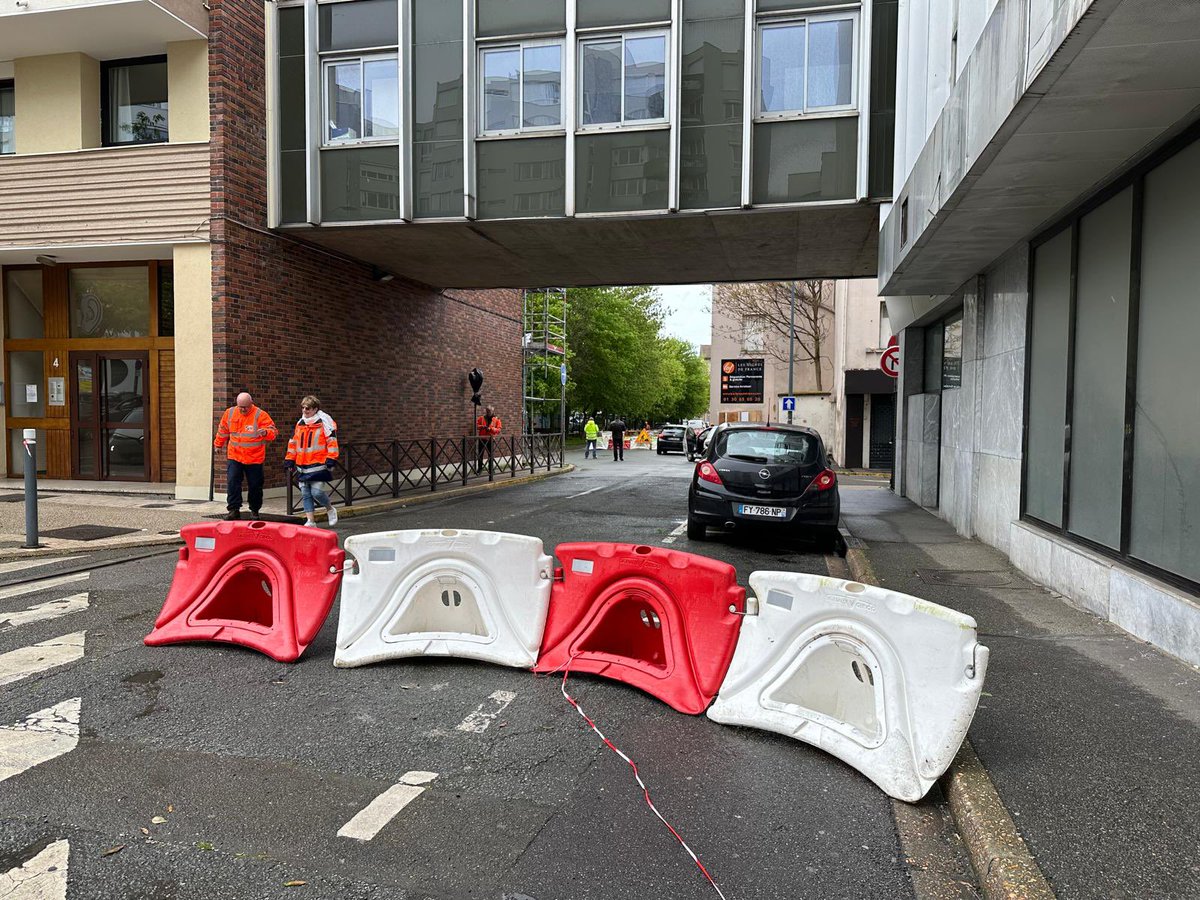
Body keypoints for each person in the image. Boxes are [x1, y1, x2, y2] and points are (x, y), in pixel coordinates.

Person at [214, 392, 277, 520]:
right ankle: (233, 509)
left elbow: (273, 432)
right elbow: (223, 430)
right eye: (240, 407)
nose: (243, 409)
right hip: (235, 456)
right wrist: (218, 444)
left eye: (245, 407)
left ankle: (254, 510)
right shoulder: (230, 413)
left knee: (255, 485)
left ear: (251, 403)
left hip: (254, 458)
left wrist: (265, 432)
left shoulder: (260, 415)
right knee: (233, 483)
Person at [284, 395, 340, 527]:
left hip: (318, 463)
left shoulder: (324, 423)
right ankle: (311, 521)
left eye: (307, 408)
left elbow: (332, 442)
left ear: (315, 409)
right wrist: (289, 459)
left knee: (317, 492)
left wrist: (331, 458)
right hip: (302, 464)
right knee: (305, 493)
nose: (304, 410)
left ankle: (330, 509)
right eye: (302, 407)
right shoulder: (300, 423)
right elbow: (293, 443)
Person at [475, 405, 502, 473]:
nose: (488, 412)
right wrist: (482, 426)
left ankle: (491, 469)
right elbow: (476, 426)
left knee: (491, 454)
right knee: (480, 454)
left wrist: (491, 429)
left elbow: (498, 429)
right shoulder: (481, 418)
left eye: (489, 411)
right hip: (482, 438)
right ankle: (480, 468)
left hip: (490, 439)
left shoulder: (497, 419)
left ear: (493, 411)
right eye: (487, 411)